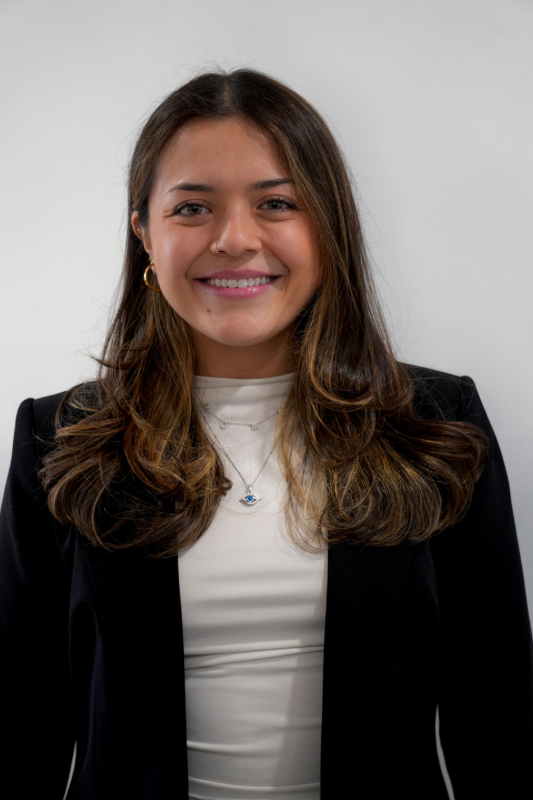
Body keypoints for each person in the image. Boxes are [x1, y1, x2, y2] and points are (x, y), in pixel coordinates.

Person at [1, 68, 532, 800]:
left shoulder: (435, 421)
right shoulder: (59, 436)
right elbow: (23, 722)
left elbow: (496, 714)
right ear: (144, 234)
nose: (234, 240)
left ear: (327, 224)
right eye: (192, 208)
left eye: (276, 203)